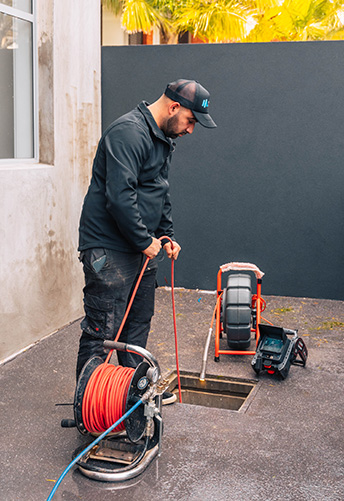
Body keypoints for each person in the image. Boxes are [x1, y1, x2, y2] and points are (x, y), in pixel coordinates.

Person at [76, 79, 216, 404]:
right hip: (108, 249)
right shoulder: (128, 133)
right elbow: (119, 197)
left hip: (142, 248)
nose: (191, 130)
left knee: (138, 322)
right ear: (173, 107)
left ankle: (131, 399)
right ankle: (90, 409)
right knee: (103, 331)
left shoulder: (163, 138)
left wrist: (166, 235)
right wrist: (144, 239)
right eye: (191, 121)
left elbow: (159, 191)